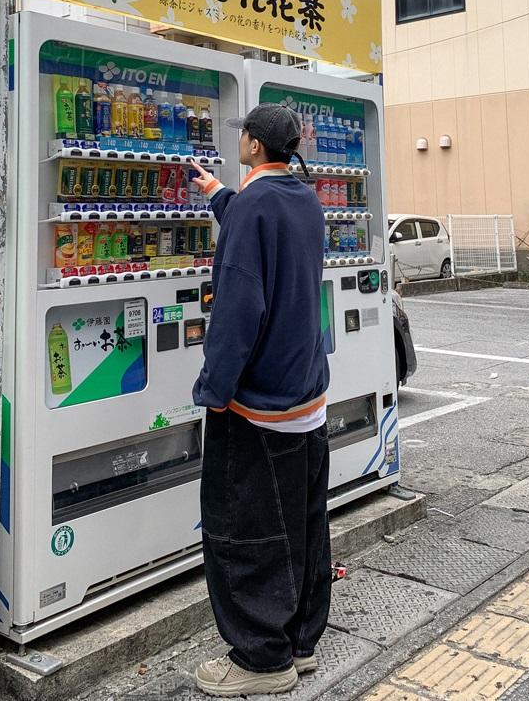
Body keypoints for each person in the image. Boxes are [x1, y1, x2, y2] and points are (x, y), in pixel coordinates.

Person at [189, 104, 331, 697]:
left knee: (244, 533)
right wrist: (221, 193)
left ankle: (259, 661)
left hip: (258, 408)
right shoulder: (304, 199)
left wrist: (214, 391)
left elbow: (238, 308)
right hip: (307, 398)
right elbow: (266, 234)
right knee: (302, 527)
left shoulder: (254, 207)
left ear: (251, 144)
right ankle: (299, 644)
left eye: (240, 136)